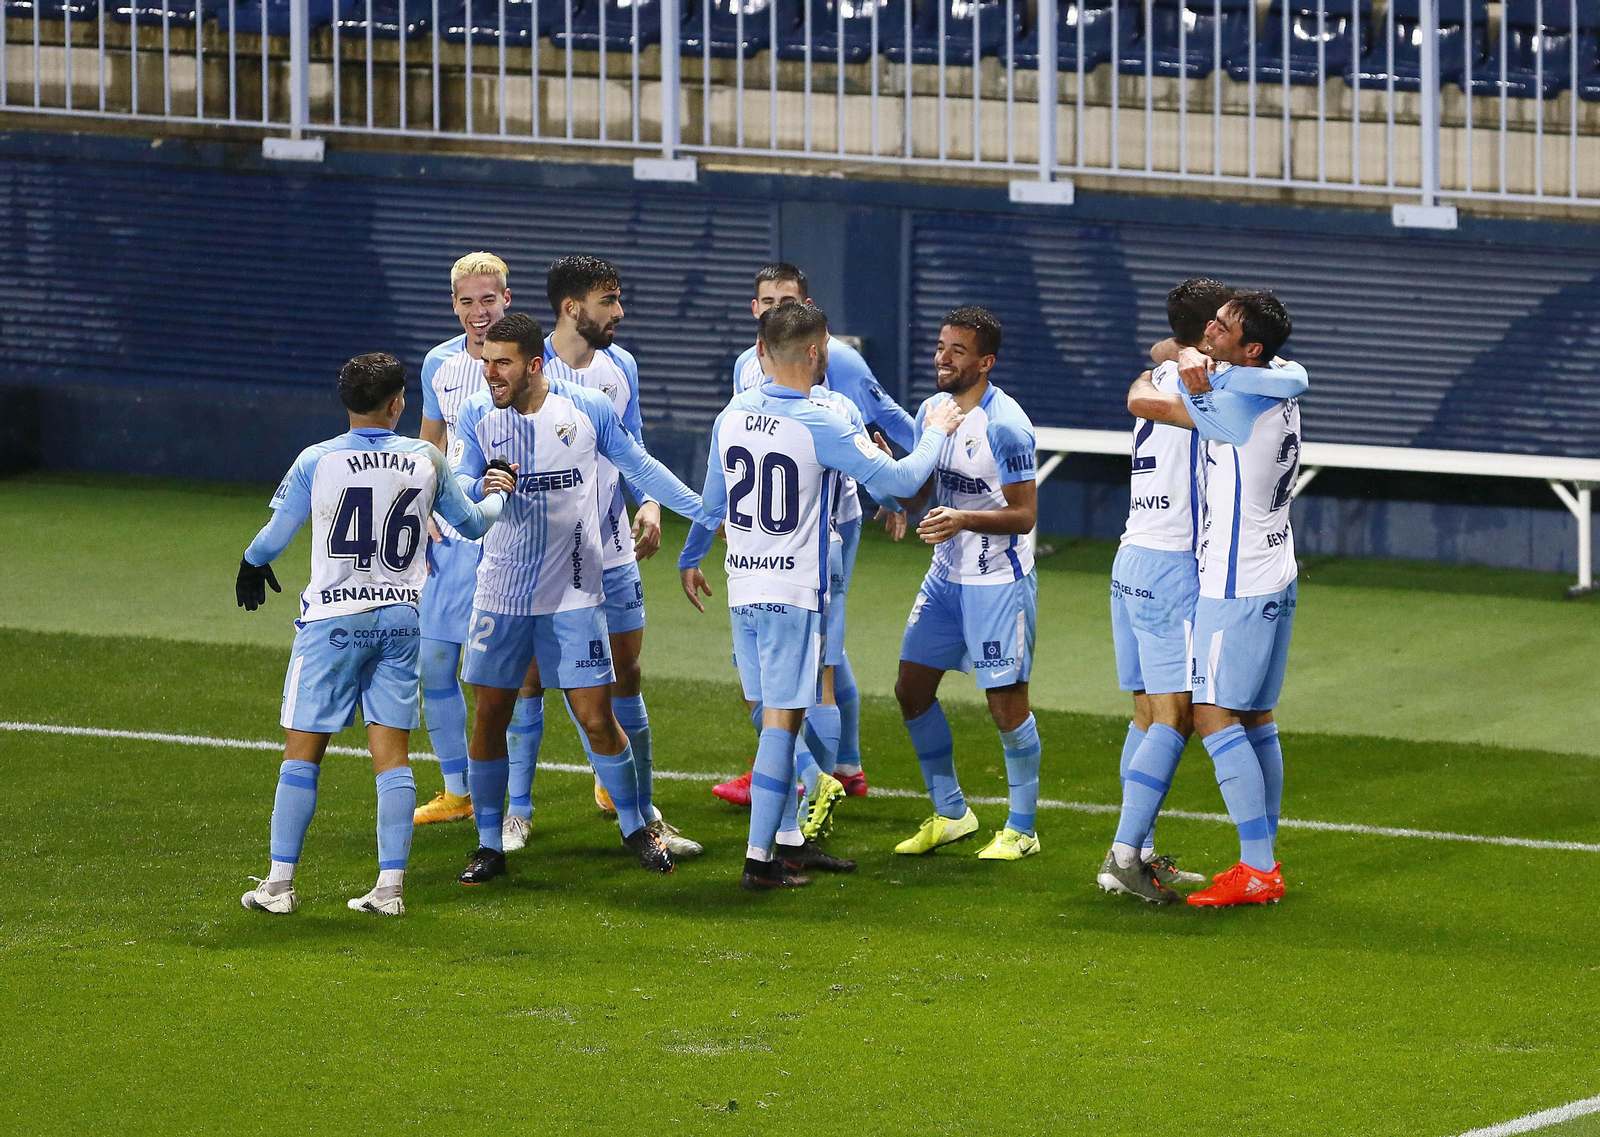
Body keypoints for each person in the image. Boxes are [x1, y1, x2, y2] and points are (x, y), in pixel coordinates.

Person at [679, 302, 963, 890]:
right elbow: (905, 482)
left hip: (742, 584)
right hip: (791, 594)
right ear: (815, 353)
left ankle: (789, 841)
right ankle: (761, 862)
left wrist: (688, 559)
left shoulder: (730, 414)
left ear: (761, 352)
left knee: (769, 719)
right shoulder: (819, 420)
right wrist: (935, 431)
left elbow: (711, 504)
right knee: (784, 724)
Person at [236, 353, 511, 917]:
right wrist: (499, 491)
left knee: (301, 758)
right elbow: (474, 525)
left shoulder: (317, 459)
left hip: (333, 623)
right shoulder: (427, 458)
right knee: (393, 758)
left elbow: (274, 534)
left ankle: (280, 885)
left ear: (347, 403)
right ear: (398, 403)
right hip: (401, 620)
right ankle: (389, 889)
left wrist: (251, 561)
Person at [451, 313, 712, 885]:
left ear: (534, 365)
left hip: (575, 591)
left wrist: (707, 512)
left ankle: (635, 827)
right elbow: (458, 491)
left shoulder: (586, 410)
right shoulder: (475, 415)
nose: (489, 373)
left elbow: (638, 465)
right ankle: (490, 843)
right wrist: (480, 487)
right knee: (490, 717)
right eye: (485, 361)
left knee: (597, 715)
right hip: (501, 594)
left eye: (502, 363)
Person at [1097, 279, 1307, 903]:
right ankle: (1129, 855)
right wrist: (1183, 363)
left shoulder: (1201, 384)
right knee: (1193, 716)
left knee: (1164, 714)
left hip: (1136, 558)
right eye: (1213, 322)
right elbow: (1287, 377)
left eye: (1227, 324)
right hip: (1195, 571)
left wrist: (1161, 368)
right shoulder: (1241, 384)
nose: (1217, 329)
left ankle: (1156, 851)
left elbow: (1152, 389)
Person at [712, 263, 912, 807]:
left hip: (826, 522)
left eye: (787, 298)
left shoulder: (835, 360)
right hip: (770, 528)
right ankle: (835, 766)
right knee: (822, 652)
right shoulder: (745, 366)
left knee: (819, 658)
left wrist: (902, 492)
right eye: (766, 299)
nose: (776, 307)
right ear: (755, 310)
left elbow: (880, 422)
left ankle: (807, 781)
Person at [523, 255, 699, 859]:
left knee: (626, 677)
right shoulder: (524, 369)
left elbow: (635, 447)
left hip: (614, 552)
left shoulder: (620, 366)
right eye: (608, 301)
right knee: (529, 683)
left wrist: (650, 502)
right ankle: (516, 814)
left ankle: (645, 814)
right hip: (544, 560)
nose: (619, 312)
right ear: (573, 309)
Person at [891, 307, 1044, 862]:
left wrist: (962, 519)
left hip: (998, 581)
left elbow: (1024, 514)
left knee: (1005, 705)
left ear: (986, 362)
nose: (942, 358)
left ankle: (1022, 828)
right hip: (945, 578)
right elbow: (917, 489)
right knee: (911, 689)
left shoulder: (1007, 426)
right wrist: (892, 480)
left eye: (957, 350)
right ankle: (952, 812)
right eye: (939, 346)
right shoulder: (932, 411)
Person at [412, 252, 513, 827]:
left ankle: (604, 780)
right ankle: (458, 791)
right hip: (452, 535)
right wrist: (419, 506)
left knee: (521, 678)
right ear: (454, 304)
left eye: (489, 299)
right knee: (434, 663)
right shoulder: (439, 365)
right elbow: (431, 442)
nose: (479, 312)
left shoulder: (532, 358)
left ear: (507, 298)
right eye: (467, 301)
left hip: (514, 534)